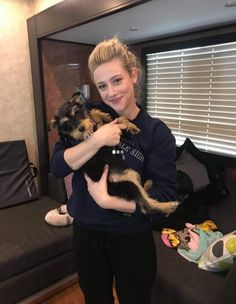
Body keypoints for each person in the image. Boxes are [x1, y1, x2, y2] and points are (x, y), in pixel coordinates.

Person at [51, 37, 177, 304]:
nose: (111, 92)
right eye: (102, 85)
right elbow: (58, 166)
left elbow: (165, 198)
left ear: (133, 75)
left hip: (131, 237)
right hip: (86, 233)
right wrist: (97, 139)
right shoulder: (91, 115)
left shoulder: (156, 132)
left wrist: (107, 200)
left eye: (117, 80)